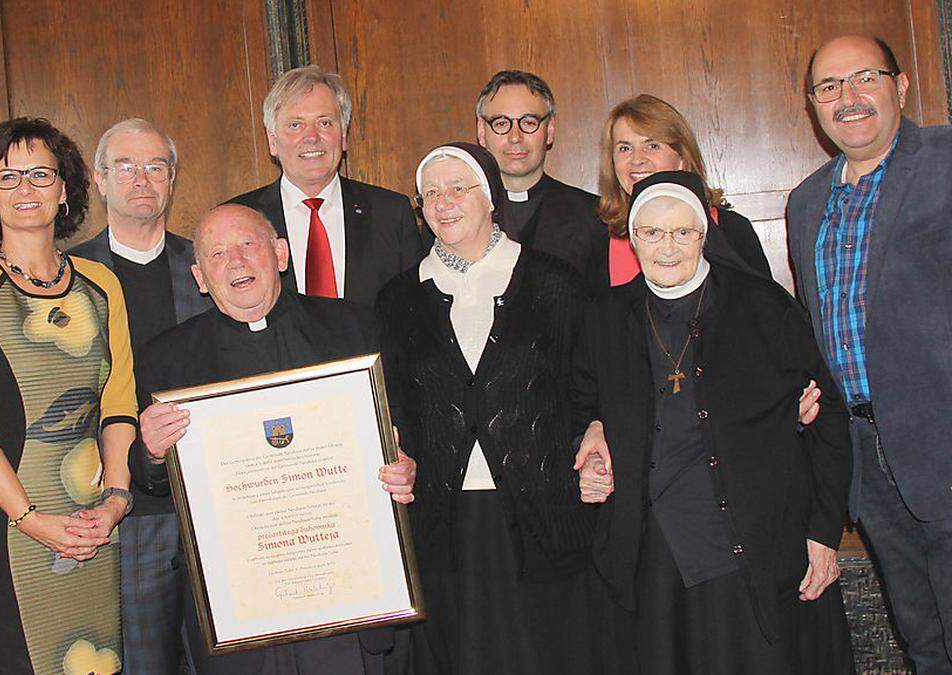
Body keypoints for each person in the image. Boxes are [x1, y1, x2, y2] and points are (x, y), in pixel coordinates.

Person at [572, 171, 853, 674]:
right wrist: (590, 434)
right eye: (651, 233)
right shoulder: (606, 316)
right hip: (651, 548)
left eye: (683, 232)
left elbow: (826, 415)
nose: (667, 247)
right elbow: (581, 398)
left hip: (753, 539)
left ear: (705, 233)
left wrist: (824, 529)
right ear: (632, 238)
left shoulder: (763, 306)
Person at [133, 204, 417, 675]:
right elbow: (154, 484)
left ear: (281, 253)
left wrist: (404, 466)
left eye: (248, 244)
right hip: (241, 613)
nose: (236, 262)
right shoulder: (167, 360)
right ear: (200, 278)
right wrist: (151, 451)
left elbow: (402, 431)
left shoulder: (353, 330)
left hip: (344, 599)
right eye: (218, 254)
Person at [376, 142, 598, 674]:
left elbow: (587, 388)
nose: (443, 201)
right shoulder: (400, 297)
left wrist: (596, 432)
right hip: (444, 522)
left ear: (492, 198)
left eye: (458, 188)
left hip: (540, 515)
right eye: (430, 192)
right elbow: (393, 407)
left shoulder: (554, 281)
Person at [0, 117, 137, 674]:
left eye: (41, 174)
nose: (26, 189)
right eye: (8, 177)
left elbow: (119, 401)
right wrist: (31, 518)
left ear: (65, 189)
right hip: (8, 523)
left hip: (95, 520)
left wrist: (117, 500)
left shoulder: (103, 283)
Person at [788, 34, 952, 673]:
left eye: (864, 78)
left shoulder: (944, 162)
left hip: (942, 436)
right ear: (812, 105)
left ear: (901, 85)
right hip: (866, 459)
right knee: (920, 635)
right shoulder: (806, 201)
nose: (847, 98)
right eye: (829, 87)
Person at [69, 118, 210, 675]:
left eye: (155, 166)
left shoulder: (209, 266)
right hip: (124, 515)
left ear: (172, 179)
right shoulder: (68, 275)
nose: (141, 179)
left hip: (208, 505)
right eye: (125, 166)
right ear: (100, 181)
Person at [229, 65, 427, 306]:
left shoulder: (391, 213)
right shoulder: (237, 218)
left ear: (343, 135)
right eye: (295, 125)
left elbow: (417, 311)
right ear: (272, 141)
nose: (311, 137)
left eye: (324, 123)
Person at [597, 94, 771, 285]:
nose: (637, 159)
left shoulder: (731, 229)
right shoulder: (599, 240)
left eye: (652, 146)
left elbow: (766, 308)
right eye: (624, 148)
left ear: (682, 158)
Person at [475, 70, 608, 291]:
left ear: (550, 130)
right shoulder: (455, 215)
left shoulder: (595, 216)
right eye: (500, 123)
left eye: (528, 122)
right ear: (482, 131)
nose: (515, 137)